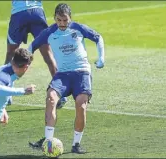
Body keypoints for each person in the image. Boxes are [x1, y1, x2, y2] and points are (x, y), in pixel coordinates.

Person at [28, 3, 105, 154]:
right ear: (54, 19)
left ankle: (76, 144)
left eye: (65, 20)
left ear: (70, 18)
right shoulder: (49, 32)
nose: (62, 24)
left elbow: (98, 37)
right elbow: (31, 46)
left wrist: (101, 57)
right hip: (62, 74)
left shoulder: (78, 28)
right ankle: (48, 142)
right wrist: (25, 61)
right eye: (59, 20)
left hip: (82, 73)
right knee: (51, 97)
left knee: (81, 105)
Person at [5, 0, 67, 108]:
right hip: (36, 12)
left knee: (11, 53)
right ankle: (61, 93)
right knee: (47, 54)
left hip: (19, 13)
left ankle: (6, 94)